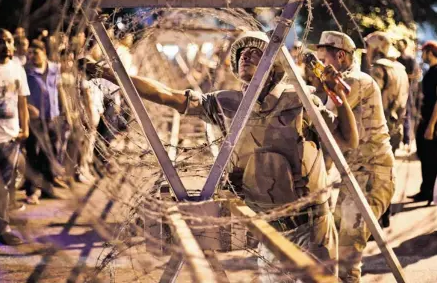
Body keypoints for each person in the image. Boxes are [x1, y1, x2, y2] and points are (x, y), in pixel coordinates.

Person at [82, 31, 360, 281]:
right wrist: (107, 73)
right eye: (242, 54)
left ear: (273, 67)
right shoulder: (226, 103)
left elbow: (347, 140)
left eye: (255, 53)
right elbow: (166, 95)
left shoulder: (298, 100)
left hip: (310, 227)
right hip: (269, 230)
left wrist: (340, 99)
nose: (245, 57)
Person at [315, 31, 395, 283]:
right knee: (336, 248)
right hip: (357, 174)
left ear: (340, 56)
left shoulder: (354, 81)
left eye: (323, 61)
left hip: (372, 174)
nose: (320, 69)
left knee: (347, 258)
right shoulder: (349, 80)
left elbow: (322, 121)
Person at [0, 28, 30, 253]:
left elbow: (22, 101)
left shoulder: (17, 68)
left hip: (11, 137)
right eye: (1, 41)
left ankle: (3, 228)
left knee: (6, 186)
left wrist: (25, 128)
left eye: (9, 41)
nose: (6, 45)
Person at [23, 40, 72, 204]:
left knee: (50, 153)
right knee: (33, 153)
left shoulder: (53, 69)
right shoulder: (25, 71)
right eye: (29, 53)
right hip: (34, 120)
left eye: (35, 53)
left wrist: (67, 112)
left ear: (44, 53)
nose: (31, 56)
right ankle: (33, 189)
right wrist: (27, 107)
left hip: (52, 116)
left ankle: (47, 187)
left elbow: (60, 90)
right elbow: (20, 94)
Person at [366, 32, 409, 154]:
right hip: (396, 126)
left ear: (376, 49)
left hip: (379, 128)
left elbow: (370, 98)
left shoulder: (378, 68)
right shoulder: (400, 68)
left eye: (368, 47)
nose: (366, 51)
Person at [408, 41, 437, 204]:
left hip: (431, 123)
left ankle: (429, 193)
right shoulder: (430, 71)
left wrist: (431, 126)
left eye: (424, 52)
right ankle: (425, 190)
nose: (422, 55)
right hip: (425, 120)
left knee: (430, 158)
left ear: (430, 52)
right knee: (425, 158)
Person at [396, 38, 420, 148]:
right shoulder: (397, 59)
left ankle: (407, 140)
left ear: (405, 45)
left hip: (408, 90)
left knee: (407, 114)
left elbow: (417, 74)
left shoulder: (410, 59)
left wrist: (404, 76)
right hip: (398, 90)